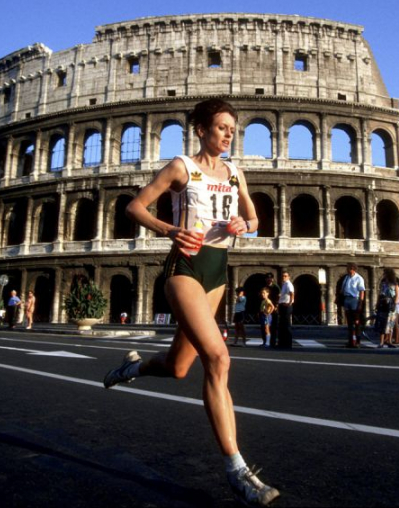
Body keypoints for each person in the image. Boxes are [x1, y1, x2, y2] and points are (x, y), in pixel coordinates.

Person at [102, 99, 278, 506]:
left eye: (232, 128)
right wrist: (169, 230)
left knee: (179, 367)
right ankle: (238, 470)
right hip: (184, 268)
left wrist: (243, 225)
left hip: (218, 272)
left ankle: (134, 367)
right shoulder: (182, 167)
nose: (228, 133)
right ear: (200, 129)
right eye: (221, 127)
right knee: (218, 358)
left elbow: (253, 221)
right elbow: (135, 206)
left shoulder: (236, 172)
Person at [341, 263, 366, 348]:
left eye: (348, 268)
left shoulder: (359, 278)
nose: (347, 270)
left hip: (354, 299)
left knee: (356, 321)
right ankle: (351, 341)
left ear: (353, 269)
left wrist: (360, 303)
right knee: (349, 322)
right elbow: (343, 289)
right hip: (347, 299)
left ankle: (358, 341)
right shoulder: (346, 277)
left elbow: (362, 291)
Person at [377, 268, 399, 348]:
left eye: (385, 273)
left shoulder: (395, 284)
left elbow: (397, 295)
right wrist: (378, 303)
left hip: (391, 305)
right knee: (383, 324)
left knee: (390, 324)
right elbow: (380, 294)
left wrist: (394, 304)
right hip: (383, 305)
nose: (384, 275)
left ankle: (389, 341)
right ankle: (381, 342)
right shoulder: (383, 284)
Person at [277, 271, 295, 349]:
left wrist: (290, 302)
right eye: (283, 276)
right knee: (282, 325)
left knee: (287, 325)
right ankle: (282, 343)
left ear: (288, 277)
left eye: (285, 276)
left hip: (286, 306)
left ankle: (288, 344)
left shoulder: (288, 284)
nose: (284, 277)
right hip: (283, 305)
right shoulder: (284, 284)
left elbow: (292, 293)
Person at [264, 273, 280, 348]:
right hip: (266, 308)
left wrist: (276, 305)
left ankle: (273, 341)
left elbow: (279, 296)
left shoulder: (276, 287)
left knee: (273, 326)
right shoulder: (265, 287)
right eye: (267, 278)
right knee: (265, 326)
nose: (269, 279)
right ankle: (266, 341)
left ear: (272, 279)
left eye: (270, 278)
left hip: (274, 308)